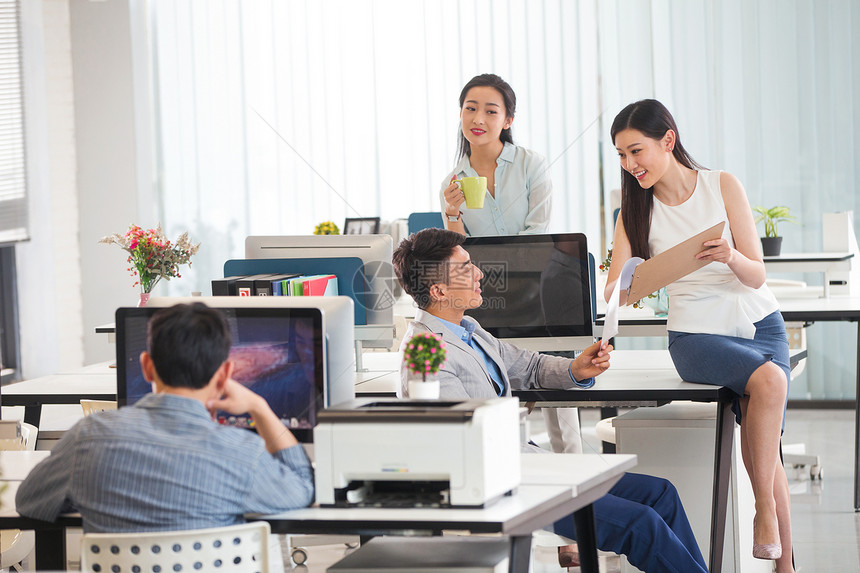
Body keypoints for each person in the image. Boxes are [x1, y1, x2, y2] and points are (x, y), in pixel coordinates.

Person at [393, 228, 708, 573]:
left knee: (660, 494)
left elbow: (527, 365)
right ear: (438, 290)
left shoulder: (468, 329)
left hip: (530, 464)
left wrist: (576, 368)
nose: (480, 274)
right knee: (640, 523)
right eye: (466, 268)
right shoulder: (424, 353)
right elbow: (463, 441)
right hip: (506, 480)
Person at [605, 99, 794, 570]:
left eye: (636, 151)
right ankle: (764, 513)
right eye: (621, 156)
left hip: (759, 324)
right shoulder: (633, 210)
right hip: (696, 335)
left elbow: (756, 276)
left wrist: (729, 255)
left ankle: (786, 565)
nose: (630, 166)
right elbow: (616, 293)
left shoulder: (722, 185)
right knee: (769, 383)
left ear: (667, 139)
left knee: (763, 440)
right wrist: (648, 272)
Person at [16, 302, 315, 534]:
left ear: (147, 366)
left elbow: (29, 501)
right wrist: (260, 408)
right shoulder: (241, 455)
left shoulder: (87, 439)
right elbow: (301, 489)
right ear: (224, 374)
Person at [440, 73, 551, 237]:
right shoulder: (450, 186)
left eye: (491, 111)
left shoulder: (532, 165)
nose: (478, 119)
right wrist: (452, 213)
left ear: (508, 121)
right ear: (461, 113)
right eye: (470, 109)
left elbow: (538, 234)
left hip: (531, 262)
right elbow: (460, 255)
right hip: (482, 264)